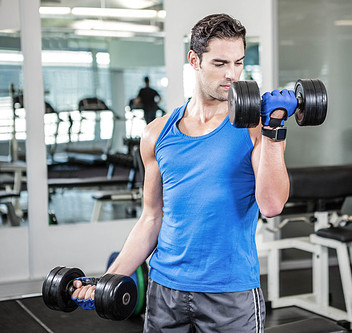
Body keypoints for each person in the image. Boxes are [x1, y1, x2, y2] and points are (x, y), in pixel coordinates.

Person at [72, 13, 297, 332]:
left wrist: (275, 129)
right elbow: (151, 218)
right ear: (194, 59)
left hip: (230, 294)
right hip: (165, 290)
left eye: (238, 63)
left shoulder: (256, 128)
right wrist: (109, 280)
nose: (232, 75)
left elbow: (272, 206)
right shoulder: (156, 134)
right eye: (220, 63)